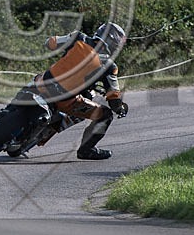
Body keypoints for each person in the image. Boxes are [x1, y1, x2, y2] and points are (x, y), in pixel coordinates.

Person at [35, 22, 128, 160]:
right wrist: (120, 108)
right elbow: (113, 96)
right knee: (106, 115)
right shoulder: (109, 65)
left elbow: (51, 43)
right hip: (66, 100)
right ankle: (86, 149)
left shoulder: (78, 37)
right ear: (114, 43)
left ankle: (6, 112)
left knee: (33, 81)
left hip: (42, 84)